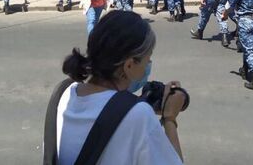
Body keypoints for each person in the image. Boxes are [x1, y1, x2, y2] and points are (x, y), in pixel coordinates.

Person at [58, 11, 185, 165]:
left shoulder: (64, 94)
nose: (149, 64)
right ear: (129, 65)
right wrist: (170, 118)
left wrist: (128, 105)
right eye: (148, 58)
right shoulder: (138, 115)